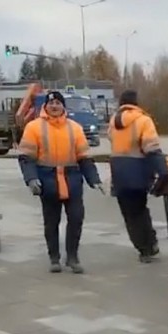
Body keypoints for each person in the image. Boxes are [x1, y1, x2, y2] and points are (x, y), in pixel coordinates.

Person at [17, 91, 104, 273]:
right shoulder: (34, 127)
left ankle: (72, 257)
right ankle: (54, 257)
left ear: (63, 106)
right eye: (51, 103)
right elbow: (26, 158)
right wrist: (31, 178)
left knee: (76, 218)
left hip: (72, 179)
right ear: (45, 107)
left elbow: (84, 157)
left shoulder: (75, 128)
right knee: (51, 221)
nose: (54, 106)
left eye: (58, 103)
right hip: (47, 180)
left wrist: (94, 179)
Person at [108, 90, 168, 263]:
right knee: (140, 209)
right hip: (138, 171)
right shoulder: (143, 120)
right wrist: (163, 171)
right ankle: (149, 245)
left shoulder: (113, 122)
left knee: (129, 214)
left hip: (119, 172)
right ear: (136, 103)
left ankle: (143, 247)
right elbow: (152, 148)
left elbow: (112, 141)